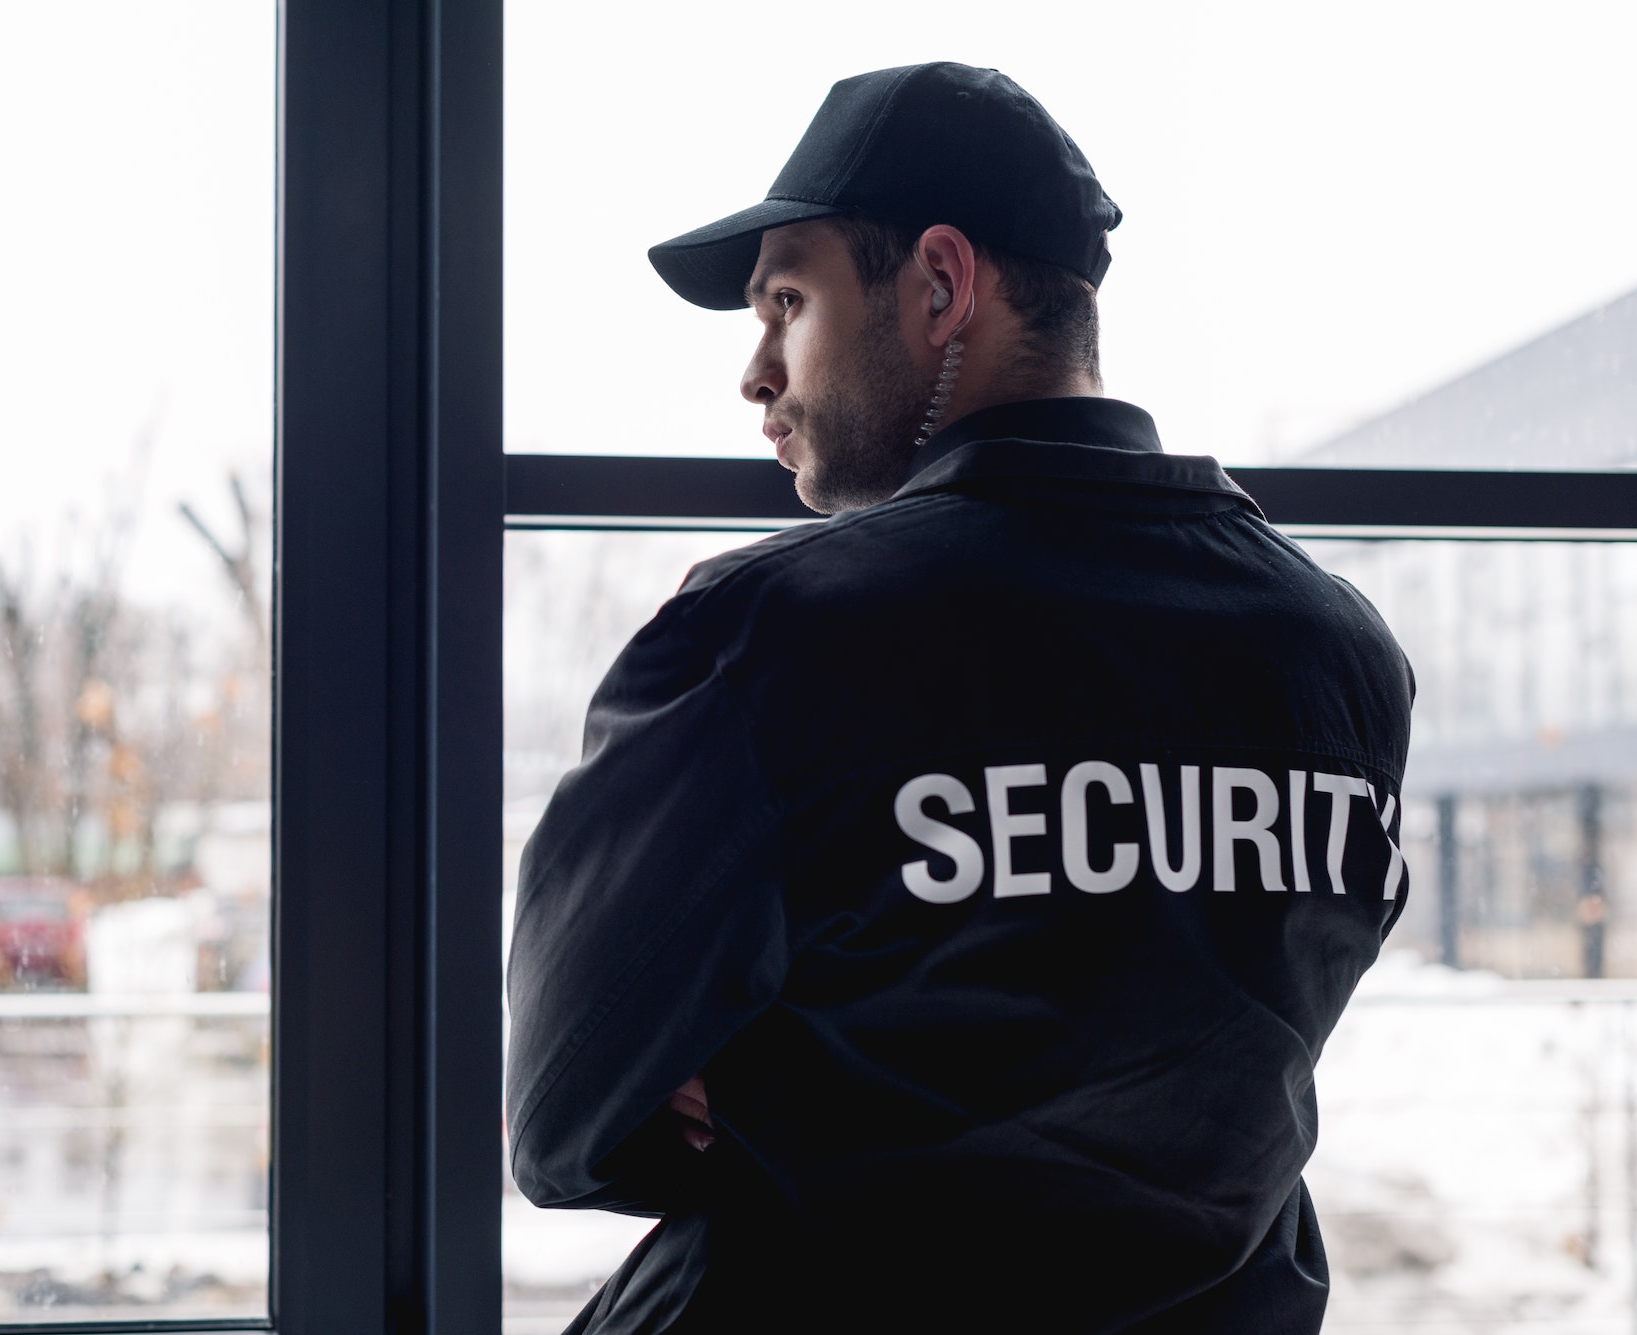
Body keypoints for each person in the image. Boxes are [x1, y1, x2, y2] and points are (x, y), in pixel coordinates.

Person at [506, 62, 1414, 1334]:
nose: (756, 373)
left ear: (940, 284)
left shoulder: (767, 637)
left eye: (785, 299)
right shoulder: (1339, 656)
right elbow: (1207, 1065)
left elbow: (561, 1124)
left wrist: (774, 1091)